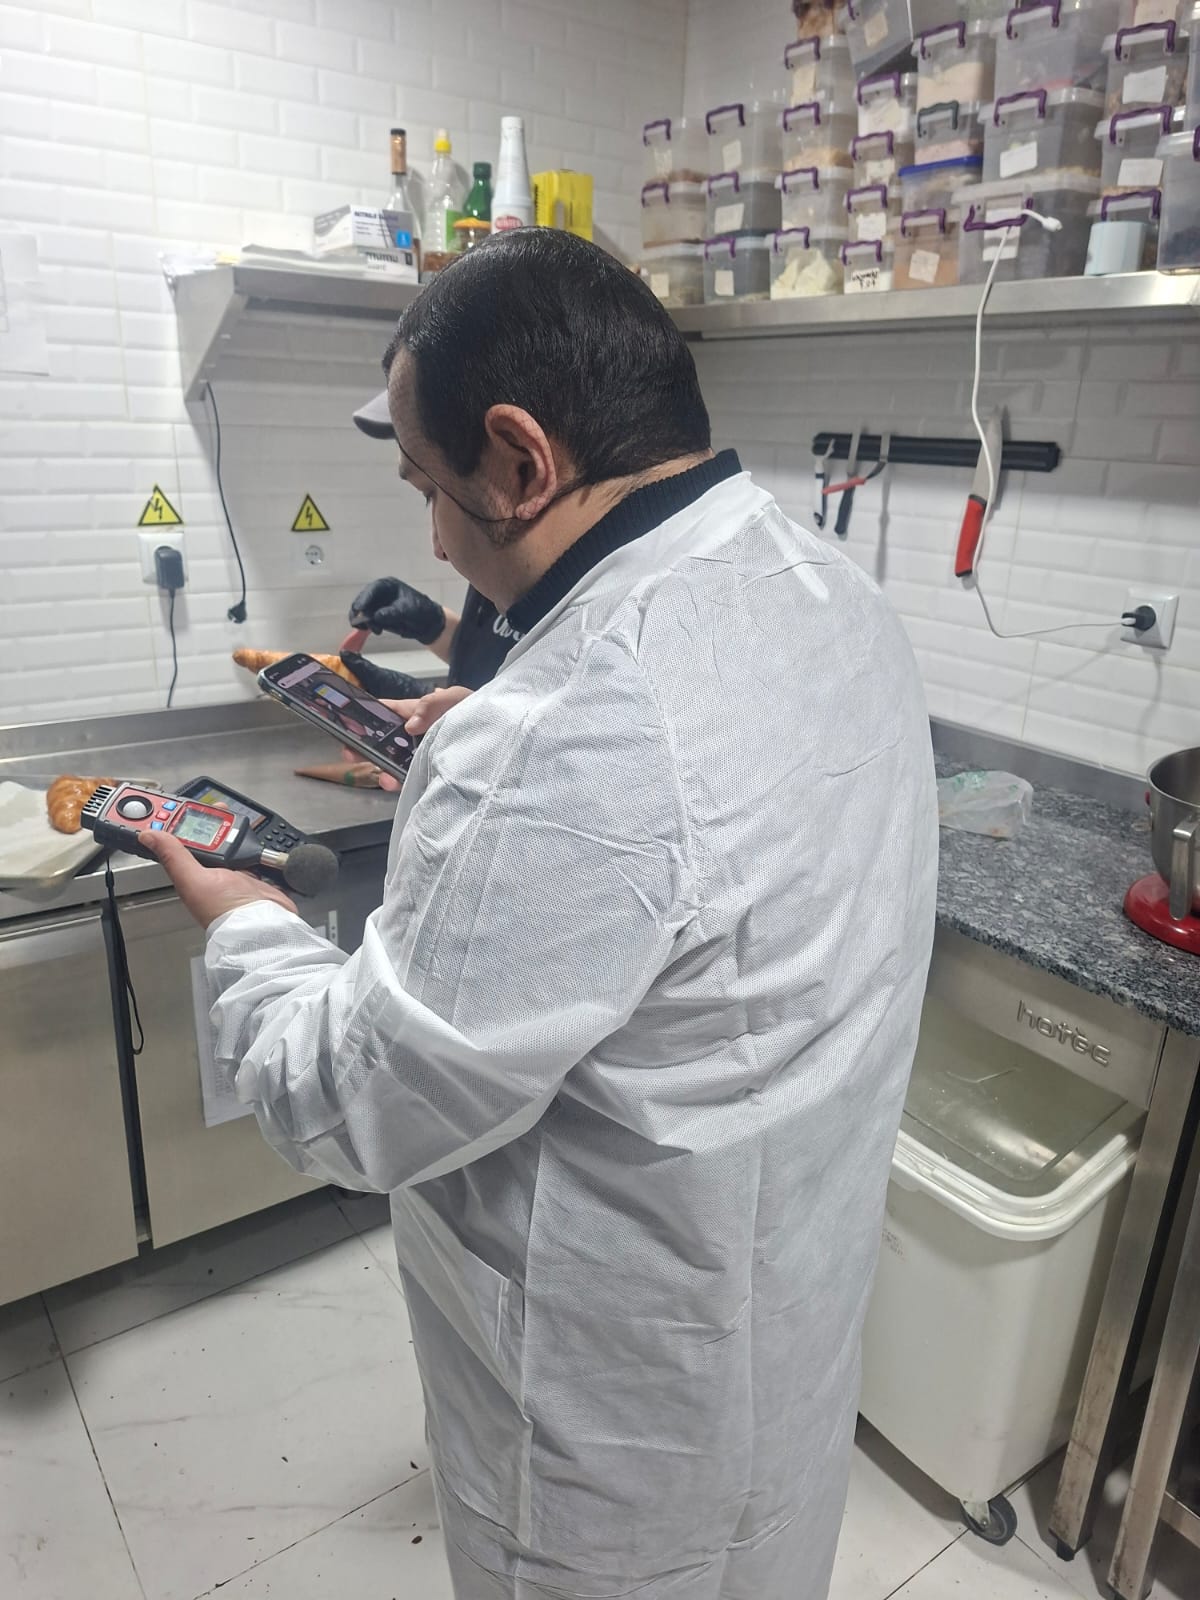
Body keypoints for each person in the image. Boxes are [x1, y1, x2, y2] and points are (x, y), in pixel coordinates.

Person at [146, 229, 938, 1600]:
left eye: (428, 486)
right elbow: (688, 834)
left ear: (520, 460)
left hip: (608, 1424)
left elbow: (354, 1107)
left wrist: (246, 922)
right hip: (782, 1318)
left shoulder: (566, 734)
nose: (434, 535)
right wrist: (494, 735)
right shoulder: (822, 589)